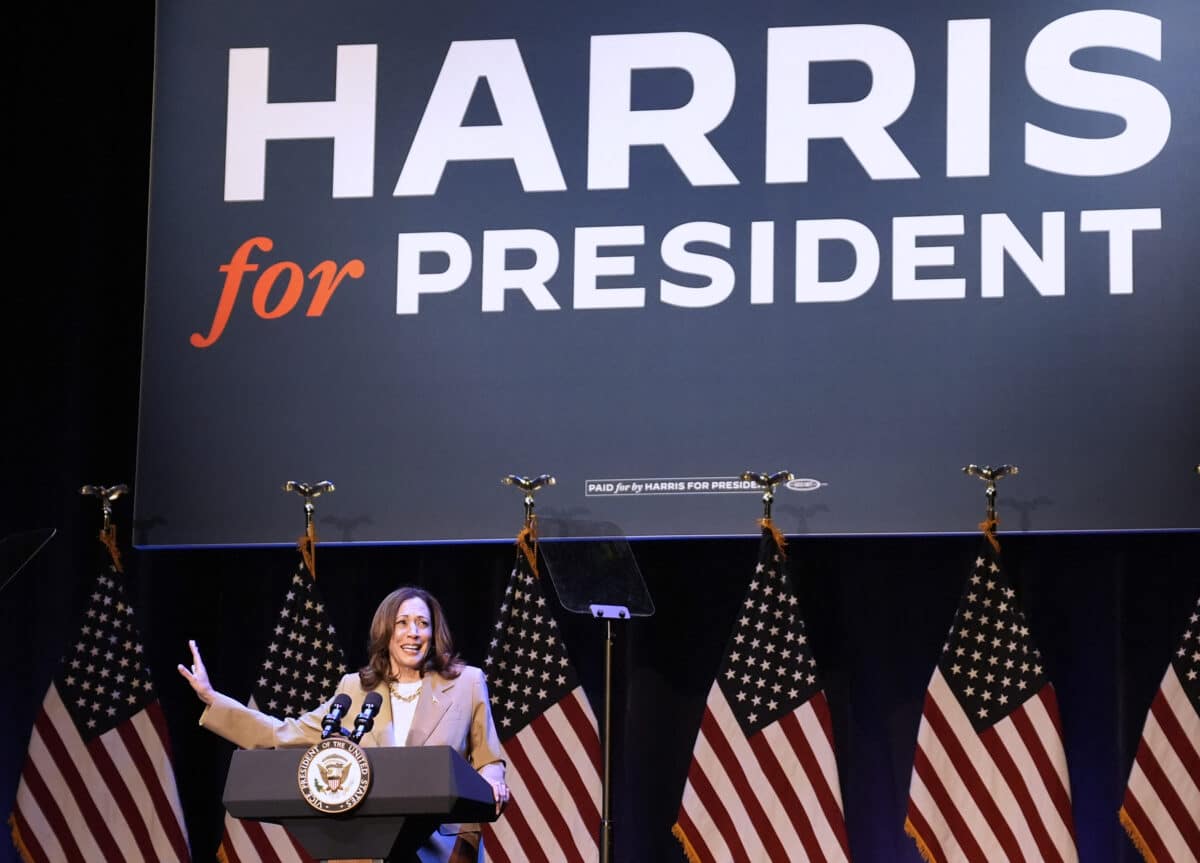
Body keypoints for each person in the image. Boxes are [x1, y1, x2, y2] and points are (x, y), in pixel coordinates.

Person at [179, 585, 508, 863]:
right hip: (365, 842)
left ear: (434, 632)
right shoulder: (355, 689)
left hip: (442, 844)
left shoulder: (467, 683)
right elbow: (284, 733)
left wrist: (493, 781)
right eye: (403, 622)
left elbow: (488, 758)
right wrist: (213, 699)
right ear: (386, 631)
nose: (414, 632)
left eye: (422, 623)